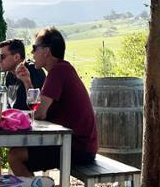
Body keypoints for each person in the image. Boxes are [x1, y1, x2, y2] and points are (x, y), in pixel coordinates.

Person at [8, 27, 98, 175]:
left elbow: (40, 113)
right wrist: (27, 82)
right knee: (18, 151)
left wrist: (15, 119)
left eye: (34, 48)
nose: (31, 53)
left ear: (46, 51)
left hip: (77, 147)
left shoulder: (58, 72)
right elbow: (39, 108)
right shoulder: (61, 70)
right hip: (76, 144)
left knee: (15, 156)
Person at [0, 39, 46, 176]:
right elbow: (7, 105)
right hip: (16, 126)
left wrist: (27, 81)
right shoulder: (9, 76)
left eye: (2, 56)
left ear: (16, 57)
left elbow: (37, 107)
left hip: (33, 129)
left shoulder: (34, 71)